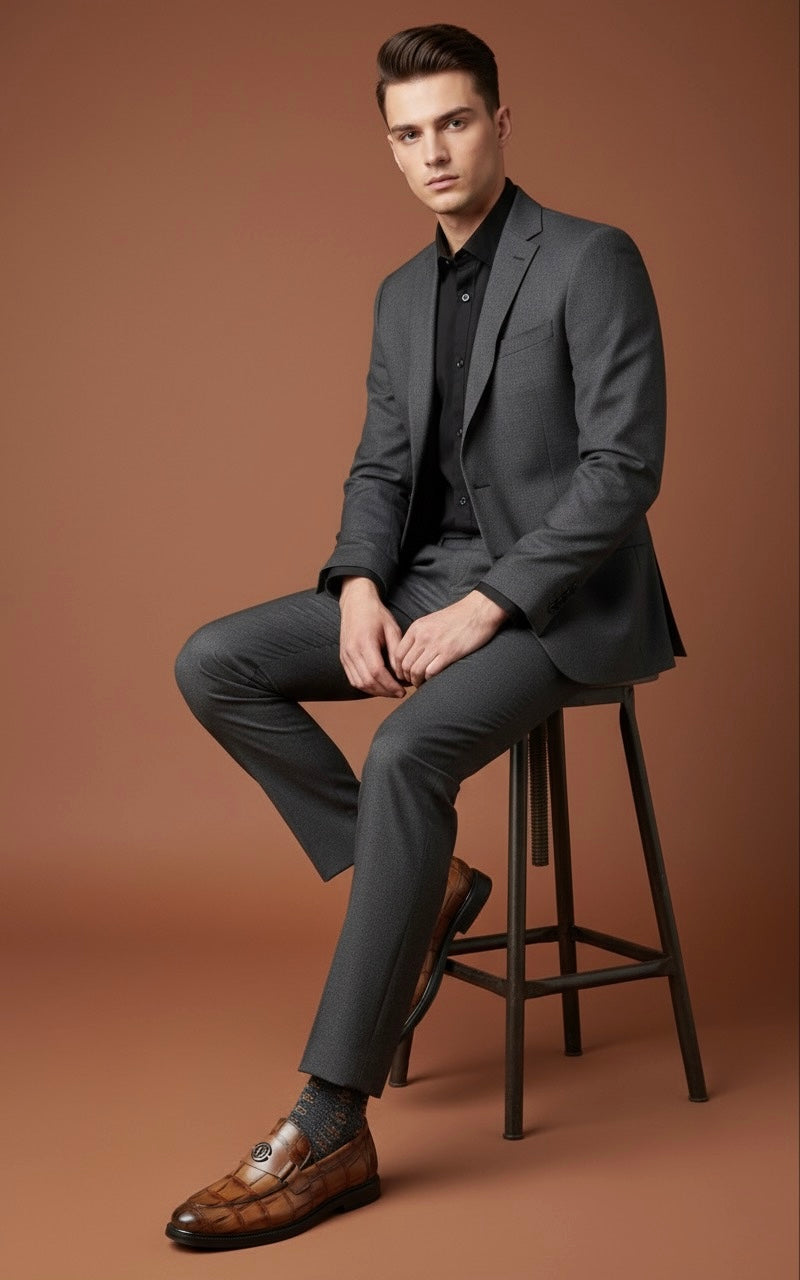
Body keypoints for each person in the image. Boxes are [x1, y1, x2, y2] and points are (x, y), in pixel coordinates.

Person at [166, 22, 684, 1250]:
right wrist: (355, 582)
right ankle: (427, 882)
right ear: (388, 147)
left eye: (453, 122)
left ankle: (330, 1117)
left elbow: (622, 469)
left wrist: (489, 602)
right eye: (407, 133)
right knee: (213, 660)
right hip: (422, 579)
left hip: (561, 601)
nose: (432, 152)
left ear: (500, 123)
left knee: (406, 753)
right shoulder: (400, 294)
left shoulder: (591, 257)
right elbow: (379, 464)